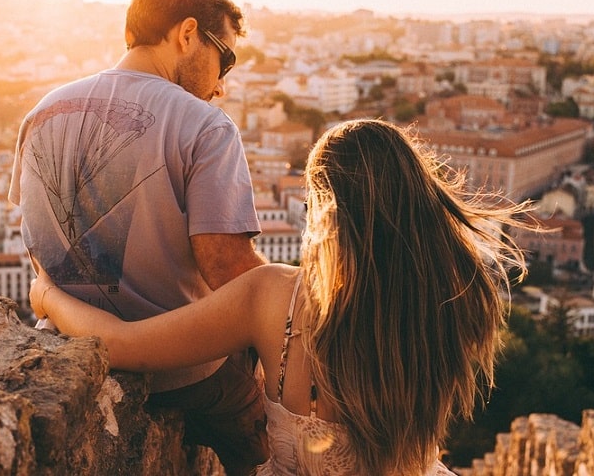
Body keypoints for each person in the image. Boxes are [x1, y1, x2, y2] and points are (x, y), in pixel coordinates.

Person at [30, 119, 536, 475]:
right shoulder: (456, 301)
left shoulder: (272, 297)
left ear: (323, 207)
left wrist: (48, 295)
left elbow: (122, 345)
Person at [8, 0, 268, 475]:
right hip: (185, 375)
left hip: (68, 347)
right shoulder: (205, 126)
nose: (220, 85)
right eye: (226, 59)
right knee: (272, 440)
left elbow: (36, 242)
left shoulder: (40, 112)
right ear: (186, 33)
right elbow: (229, 271)